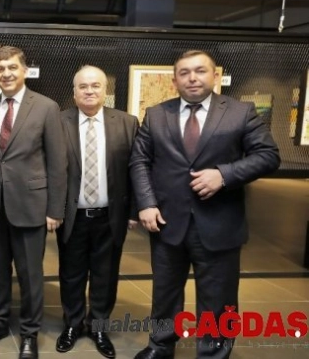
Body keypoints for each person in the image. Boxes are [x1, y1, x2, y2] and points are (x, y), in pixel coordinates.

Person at [130, 50, 280, 359]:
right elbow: (140, 160)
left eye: (200, 71)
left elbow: (268, 155)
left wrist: (224, 175)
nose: (192, 78)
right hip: (167, 222)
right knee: (165, 293)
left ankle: (213, 354)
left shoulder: (240, 112)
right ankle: (160, 346)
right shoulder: (156, 114)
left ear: (215, 76)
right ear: (174, 81)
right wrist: (146, 203)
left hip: (219, 223)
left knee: (218, 300)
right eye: (184, 73)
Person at [0, 46, 68, 359]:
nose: (6, 74)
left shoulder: (46, 107)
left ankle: (29, 332)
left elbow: (58, 162)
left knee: (30, 275)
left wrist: (55, 209)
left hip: (32, 206)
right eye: (0, 69)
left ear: (25, 71)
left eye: (12, 67)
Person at [55, 65, 139, 359]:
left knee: (106, 274)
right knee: (71, 274)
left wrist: (134, 210)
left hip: (110, 216)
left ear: (106, 90)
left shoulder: (127, 123)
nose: (89, 91)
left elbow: (136, 169)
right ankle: (73, 324)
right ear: (74, 92)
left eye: (95, 86)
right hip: (72, 216)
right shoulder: (58, 122)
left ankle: (99, 327)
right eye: (83, 86)